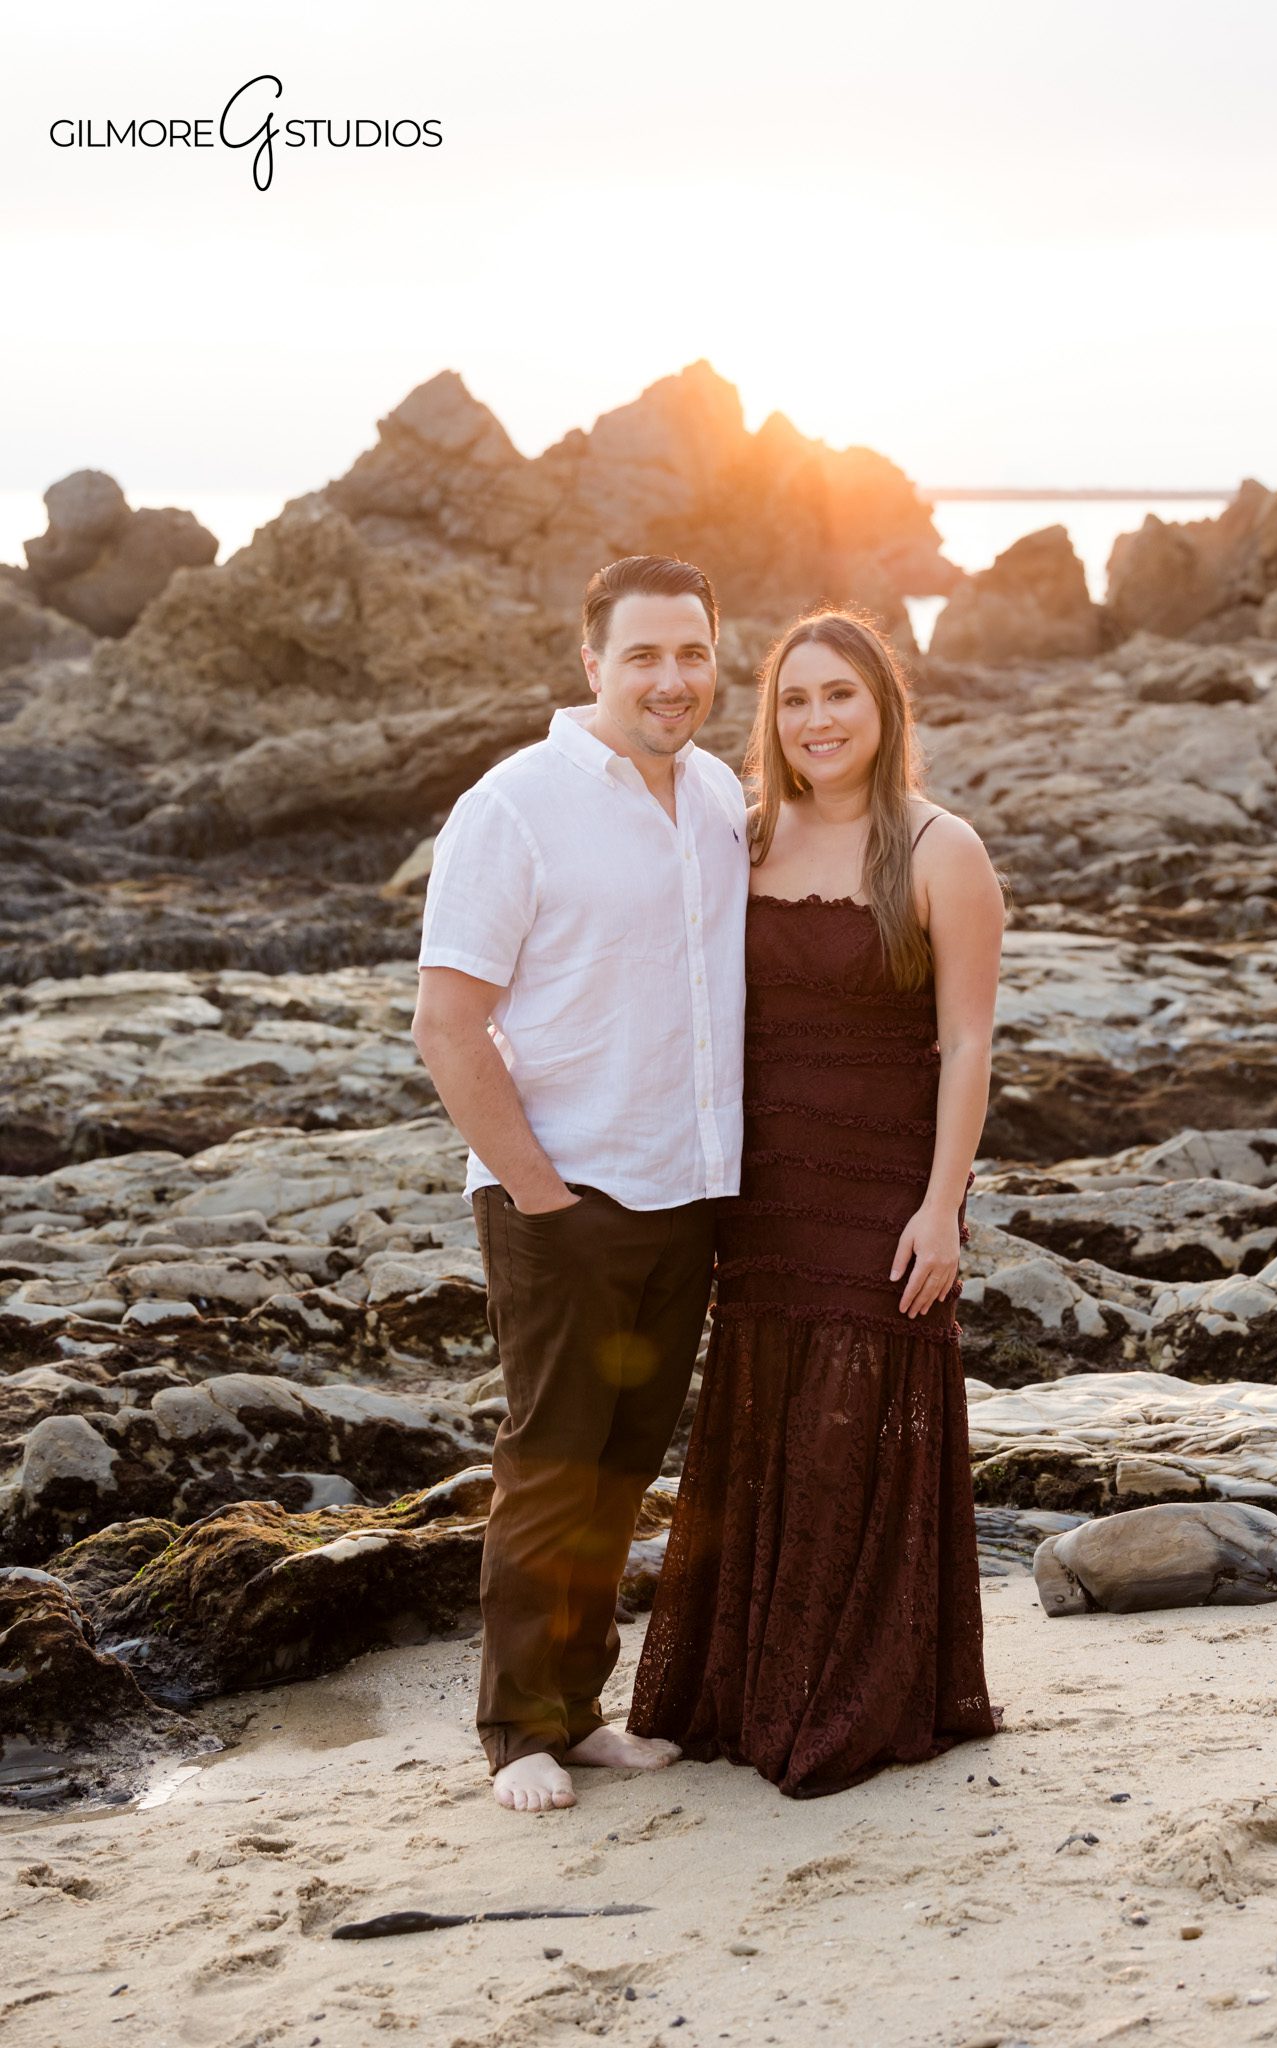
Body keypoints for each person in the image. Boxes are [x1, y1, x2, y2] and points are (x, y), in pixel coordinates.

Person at [629, 606, 1004, 1797]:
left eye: (839, 693)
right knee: (766, 1421)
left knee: (854, 1428)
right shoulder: (737, 840)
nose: (817, 719)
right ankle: (749, 1695)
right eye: (794, 699)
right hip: (761, 1190)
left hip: (883, 1186)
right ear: (771, 719)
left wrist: (943, 1205)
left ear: (883, 706)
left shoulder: (940, 847)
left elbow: (967, 1042)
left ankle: (847, 1695)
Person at [412, 555, 748, 1815]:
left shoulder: (717, 793)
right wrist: (541, 1195)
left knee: (622, 1466)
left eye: (693, 653)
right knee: (552, 1461)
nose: (672, 678)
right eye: (645, 654)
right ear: (593, 661)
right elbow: (447, 1023)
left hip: (687, 1190)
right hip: (561, 1192)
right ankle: (516, 1730)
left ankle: (581, 1708)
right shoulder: (514, 805)